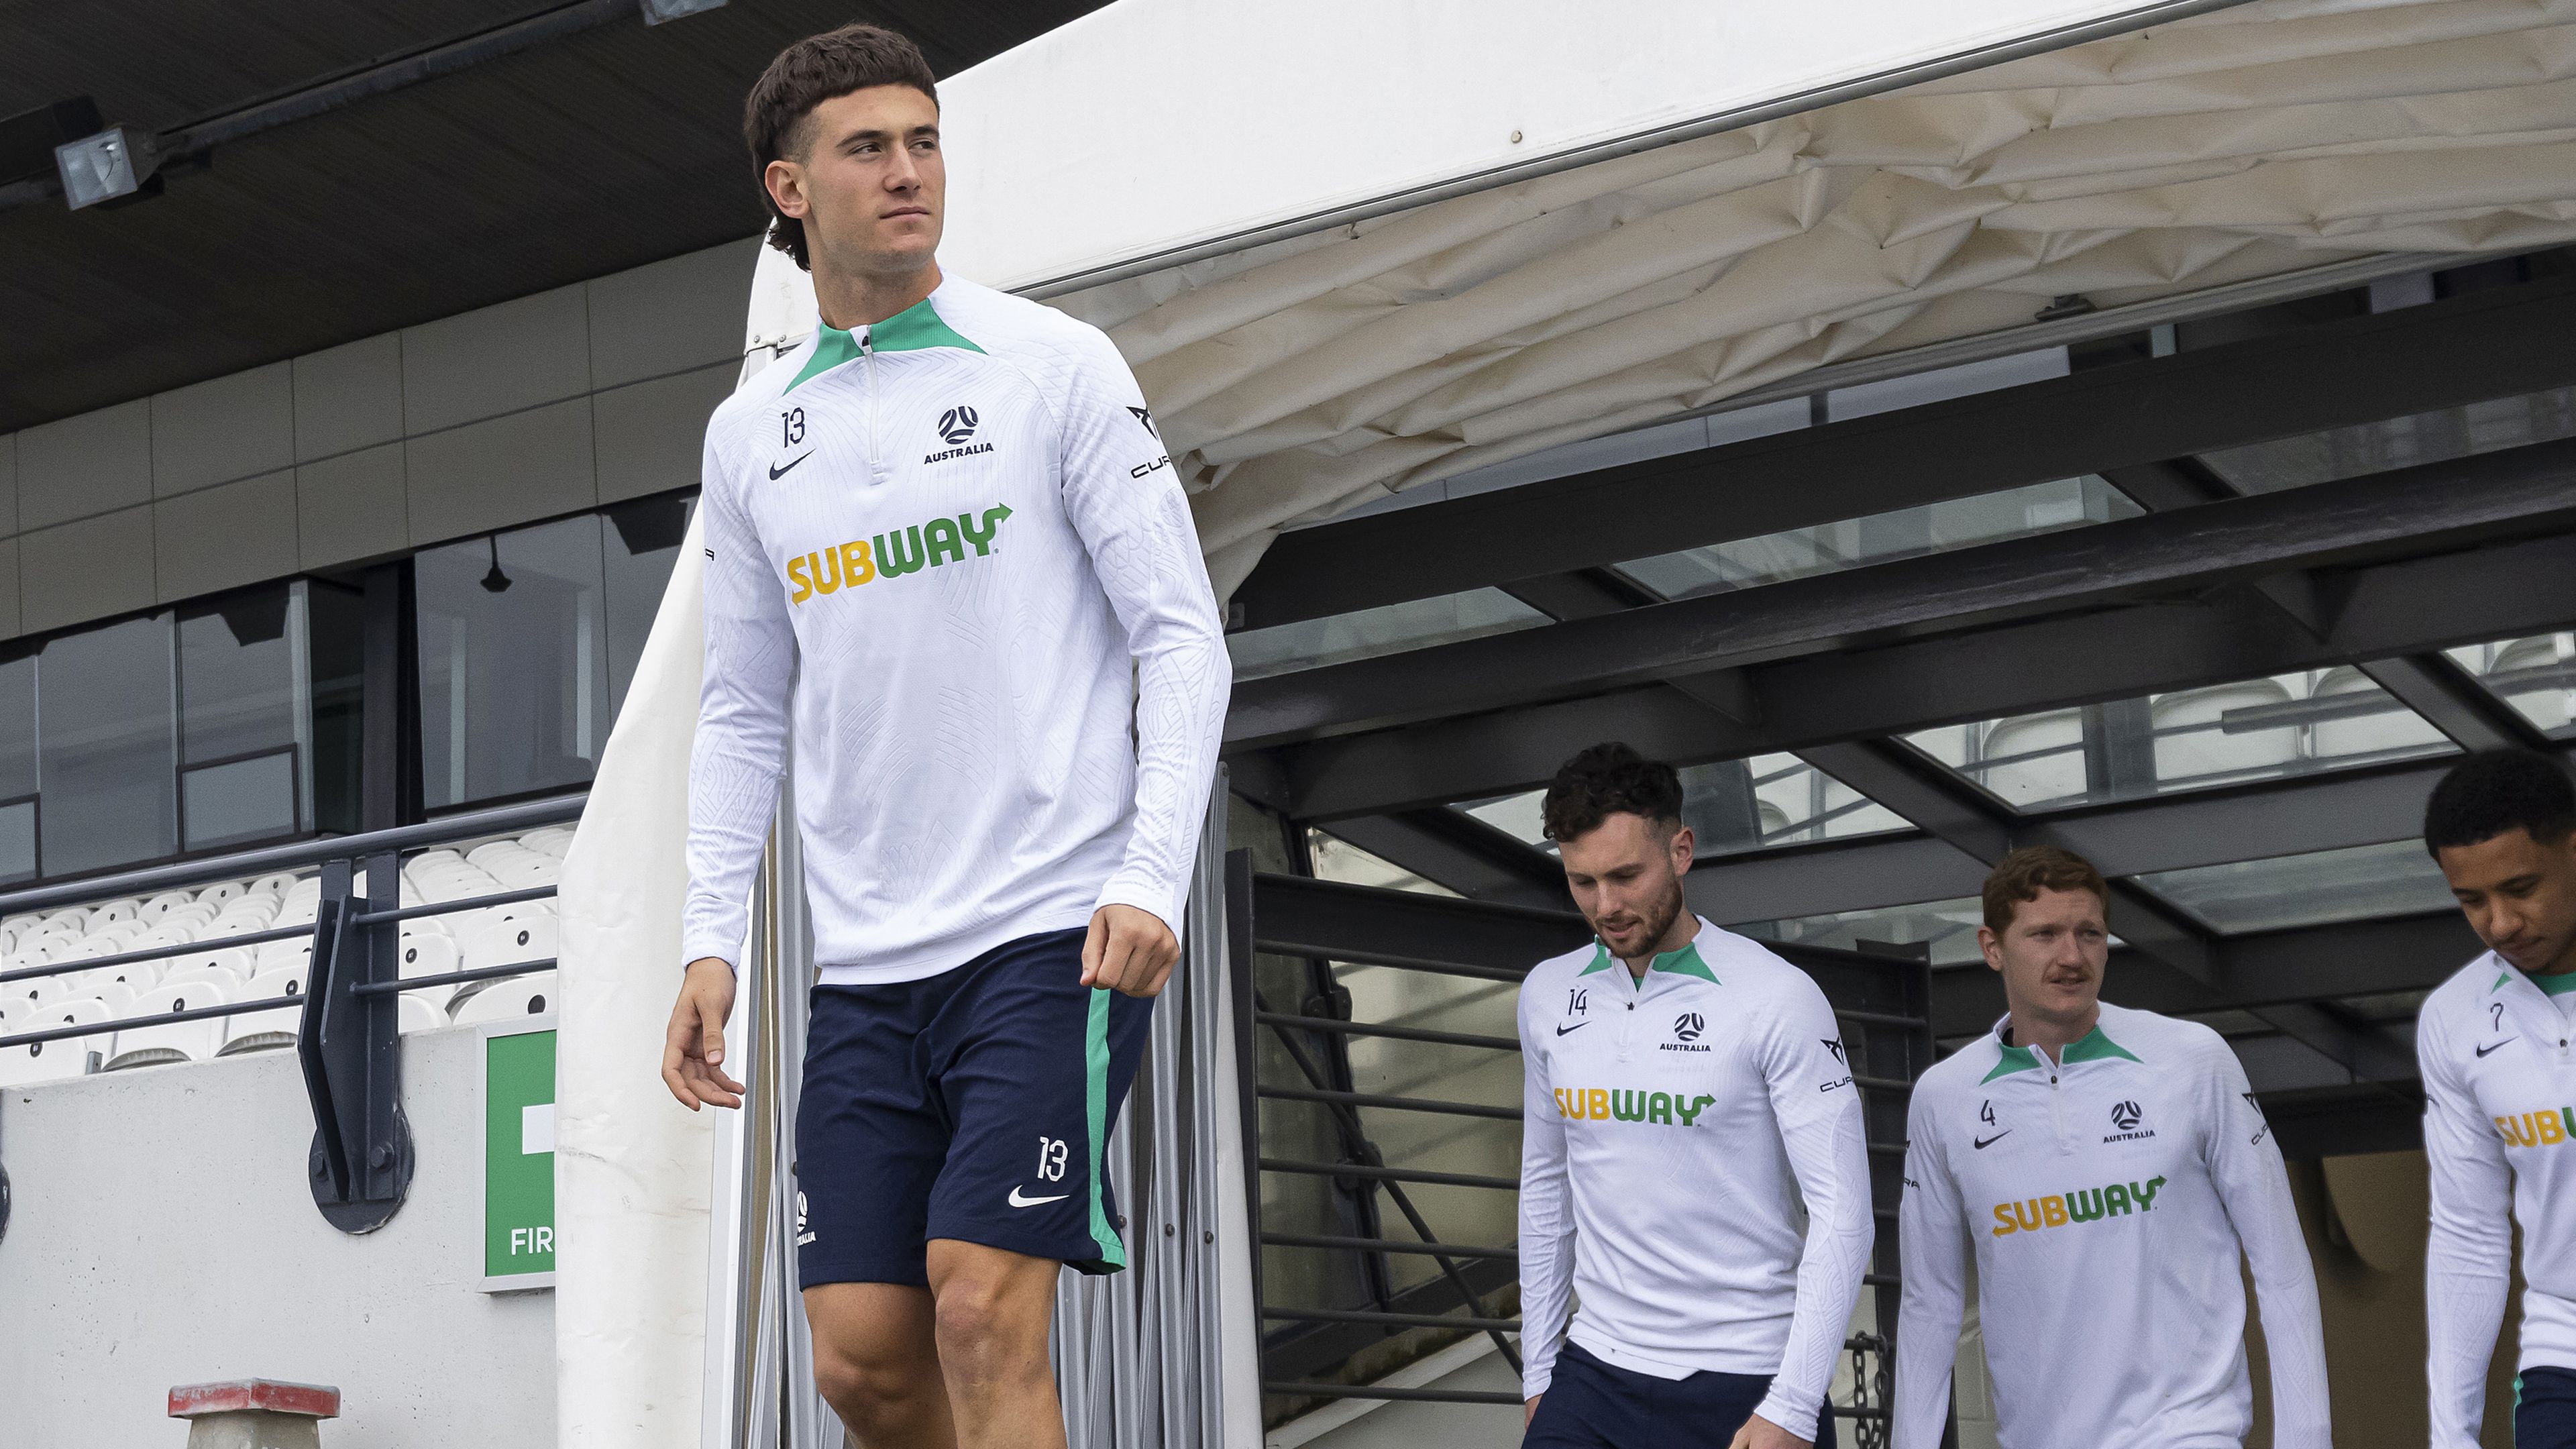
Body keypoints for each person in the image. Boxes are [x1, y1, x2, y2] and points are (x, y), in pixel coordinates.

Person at [655, 24, 1230, 1449]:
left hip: (1051, 935)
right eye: (868, 148)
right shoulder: (748, 437)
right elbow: (740, 705)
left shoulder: (1057, 364)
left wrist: (1150, 877)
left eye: (925, 141)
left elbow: (1182, 636)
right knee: (860, 1361)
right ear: (790, 188)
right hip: (864, 968)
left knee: (980, 1306)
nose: (909, 173)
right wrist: (708, 933)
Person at [1889, 845, 2329, 1449]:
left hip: (2190, 1432)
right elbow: (1929, 1305)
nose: (2072, 956)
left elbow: (2280, 1263)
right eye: (2045, 934)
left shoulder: (2194, 1059)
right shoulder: (1944, 1097)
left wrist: (2307, 1438)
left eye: (2089, 933)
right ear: (1991, 948)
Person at [1517, 743, 1873, 1449]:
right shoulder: (1546, 994)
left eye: (1626, 875)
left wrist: (1796, 1405)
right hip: (1593, 1375)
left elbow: (1844, 1212)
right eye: (1582, 882)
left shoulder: (1777, 997)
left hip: (1748, 1380)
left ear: (1682, 850)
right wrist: (1537, 1373)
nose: (1607, 906)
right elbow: (1546, 1185)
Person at [2420, 750, 2576, 1449]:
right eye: (2472, 901)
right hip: (2564, 1351)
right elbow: (2470, 1233)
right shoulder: (2453, 1019)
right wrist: (2451, 1434)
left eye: (2521, 887)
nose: (2502, 923)